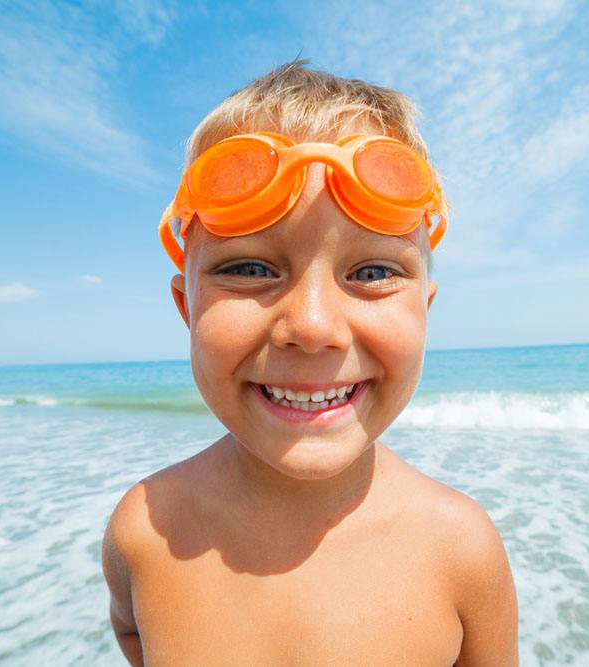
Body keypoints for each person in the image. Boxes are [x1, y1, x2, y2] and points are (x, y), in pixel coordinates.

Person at [102, 60, 518, 666]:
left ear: (424, 310)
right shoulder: (142, 531)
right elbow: (132, 633)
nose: (314, 326)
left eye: (372, 272)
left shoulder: (462, 550)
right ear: (185, 307)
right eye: (250, 268)